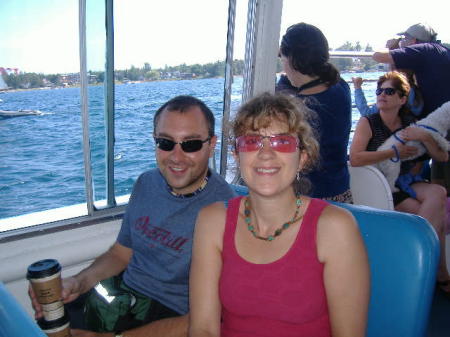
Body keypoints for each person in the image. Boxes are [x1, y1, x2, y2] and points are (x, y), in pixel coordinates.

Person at [29, 95, 236, 337]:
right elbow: (120, 254)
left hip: (173, 316)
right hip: (124, 295)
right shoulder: (147, 183)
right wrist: (78, 283)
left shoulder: (226, 210)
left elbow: (209, 319)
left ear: (211, 145)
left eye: (190, 144)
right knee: (51, 318)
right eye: (165, 143)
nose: (176, 157)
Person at [189, 93, 370, 337]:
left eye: (282, 142)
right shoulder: (212, 221)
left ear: (302, 158)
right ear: (236, 155)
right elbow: (203, 329)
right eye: (252, 142)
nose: (265, 154)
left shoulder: (334, 228)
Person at [349, 71, 450, 296]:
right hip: (378, 184)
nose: (382, 95)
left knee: (438, 192)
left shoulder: (410, 124)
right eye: (379, 91)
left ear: (402, 99)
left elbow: (441, 157)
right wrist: (393, 152)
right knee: (436, 214)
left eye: (389, 91)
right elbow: (355, 158)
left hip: (403, 181)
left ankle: (418, 262)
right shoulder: (369, 122)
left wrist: (425, 137)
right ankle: (437, 272)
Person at [276, 22, 353, 203]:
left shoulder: (296, 107)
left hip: (308, 198)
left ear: (292, 59)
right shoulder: (341, 87)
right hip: (340, 194)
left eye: (283, 57)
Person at [372, 23, 450, 192]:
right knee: (439, 176)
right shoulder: (441, 52)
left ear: (413, 40)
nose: (402, 43)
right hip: (439, 127)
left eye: (404, 39)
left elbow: (378, 56)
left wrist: (389, 47)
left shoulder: (423, 50)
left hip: (441, 127)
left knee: (441, 174)